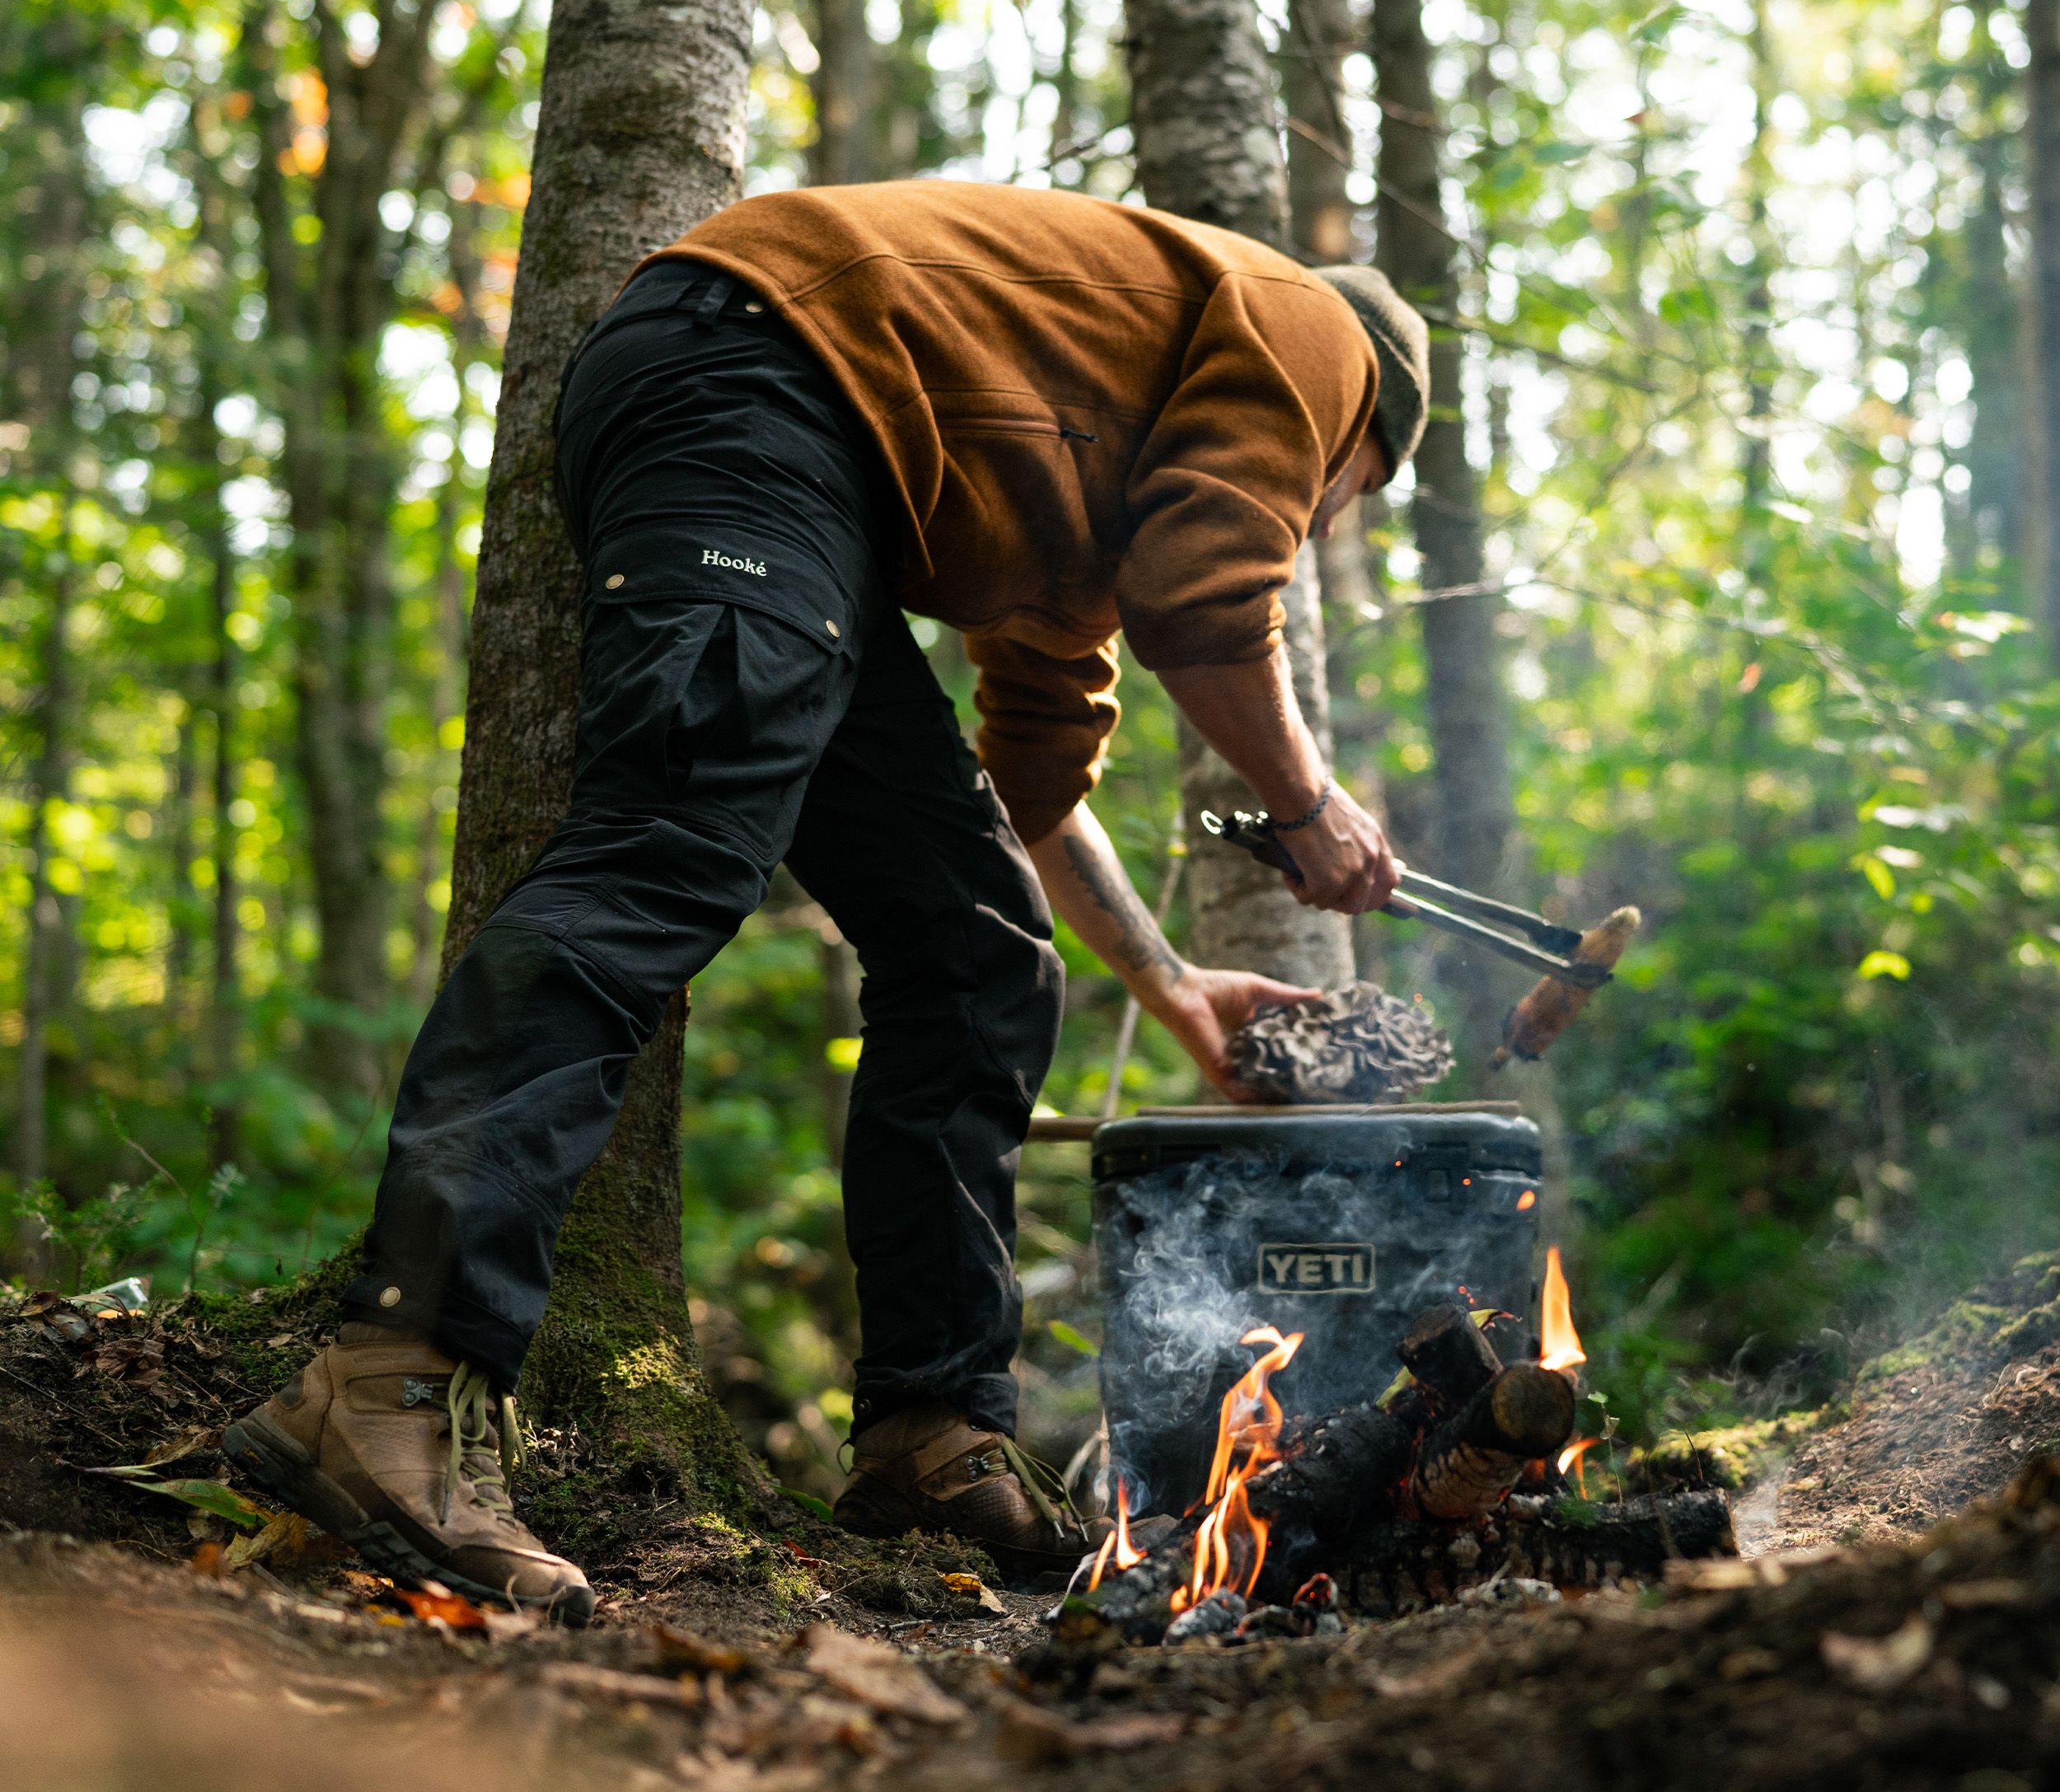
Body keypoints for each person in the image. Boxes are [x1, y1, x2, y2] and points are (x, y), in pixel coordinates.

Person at [224, 181, 1430, 1622]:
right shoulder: (1319, 333)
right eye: (1335, 501)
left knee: (977, 944)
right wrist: (1309, 803)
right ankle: (387, 1385)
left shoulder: (1088, 488)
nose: (1313, 518)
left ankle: (929, 1434)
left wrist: (1170, 986)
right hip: (754, 386)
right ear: (1360, 444)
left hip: (804, 470)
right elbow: (1212, 593)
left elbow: (1029, 781)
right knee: (666, 851)